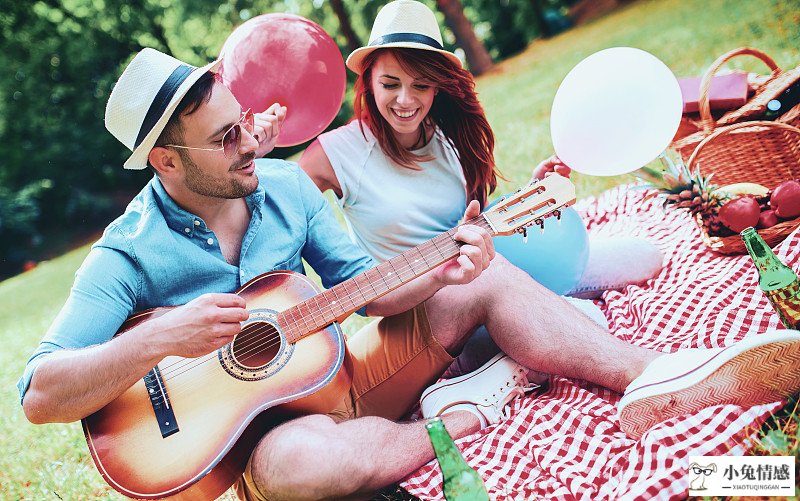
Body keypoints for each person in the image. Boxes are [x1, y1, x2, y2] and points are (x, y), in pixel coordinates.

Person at [17, 46, 800, 501]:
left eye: (241, 126)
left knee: (474, 281)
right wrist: (163, 341)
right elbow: (39, 393)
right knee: (297, 464)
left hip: (343, 370)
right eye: (225, 140)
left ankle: (666, 376)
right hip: (273, 436)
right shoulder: (126, 254)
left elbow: (371, 284)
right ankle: (460, 418)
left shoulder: (284, 187)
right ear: (165, 161)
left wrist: (447, 266)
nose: (252, 144)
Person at [299, 0, 657, 375]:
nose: (405, 100)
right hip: (421, 311)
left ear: (437, 87)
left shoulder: (450, 134)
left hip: (486, 270)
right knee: (588, 323)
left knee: (643, 256)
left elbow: (477, 221)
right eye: (390, 83)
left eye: (420, 85)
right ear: (369, 81)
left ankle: (524, 335)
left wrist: (530, 197)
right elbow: (276, 210)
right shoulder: (335, 153)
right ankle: (475, 374)